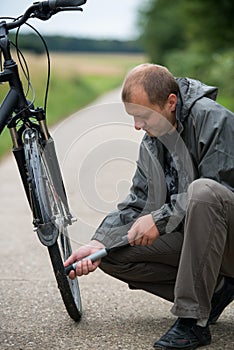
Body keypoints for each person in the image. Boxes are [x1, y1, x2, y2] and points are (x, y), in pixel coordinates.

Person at [65, 63, 234, 349]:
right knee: (114, 253)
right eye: (133, 117)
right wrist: (98, 242)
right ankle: (216, 291)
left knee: (203, 191)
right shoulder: (152, 143)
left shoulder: (214, 119)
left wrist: (160, 218)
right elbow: (137, 202)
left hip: (229, 238)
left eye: (143, 116)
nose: (137, 126)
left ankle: (192, 321)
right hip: (201, 244)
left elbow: (222, 190)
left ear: (171, 102)